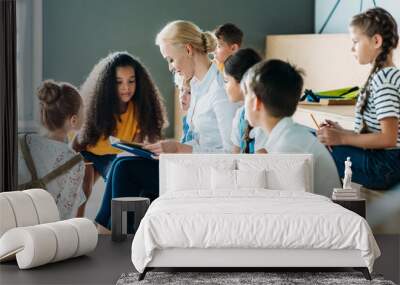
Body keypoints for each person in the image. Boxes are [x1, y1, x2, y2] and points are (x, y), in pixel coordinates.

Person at [75, 51, 167, 217]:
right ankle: (77, 224)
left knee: (121, 182)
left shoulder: (140, 108)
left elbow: (137, 147)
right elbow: (78, 141)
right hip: (88, 152)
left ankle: (109, 225)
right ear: (109, 85)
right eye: (119, 82)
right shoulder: (97, 106)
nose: (126, 87)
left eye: (131, 81)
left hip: (114, 156)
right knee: (83, 191)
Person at [317, 7, 400, 190]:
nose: (351, 48)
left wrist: (342, 139)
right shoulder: (385, 76)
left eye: (355, 41)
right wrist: (342, 132)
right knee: (315, 141)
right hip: (385, 162)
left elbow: (388, 138)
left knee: (311, 146)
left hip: (385, 166)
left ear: (376, 41)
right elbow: (376, 132)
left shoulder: (384, 79)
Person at [242, 59, 341, 197]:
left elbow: (283, 210)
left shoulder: (288, 149)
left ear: (256, 102)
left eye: (245, 95)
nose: (243, 103)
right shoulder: (288, 137)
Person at [18, 80, 85, 219]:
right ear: (73, 120)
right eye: (83, 109)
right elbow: (62, 215)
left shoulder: (21, 142)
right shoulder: (75, 163)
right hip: (42, 232)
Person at [223, 48, 267, 153]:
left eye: (226, 81)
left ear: (242, 81)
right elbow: (235, 156)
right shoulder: (240, 115)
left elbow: (263, 163)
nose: (224, 86)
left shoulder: (264, 117)